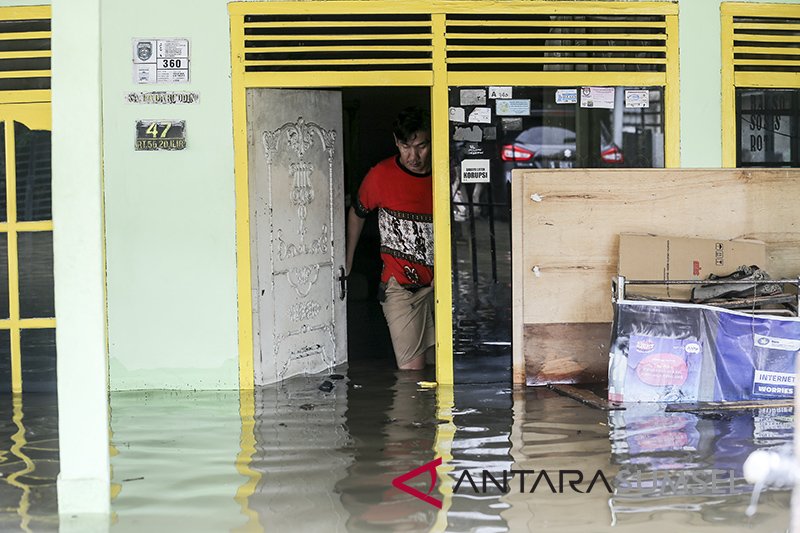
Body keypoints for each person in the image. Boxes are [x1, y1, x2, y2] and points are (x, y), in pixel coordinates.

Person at [345, 106, 435, 370]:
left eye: (421, 146)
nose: (413, 156)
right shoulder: (381, 175)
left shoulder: (444, 173)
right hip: (400, 288)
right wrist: (347, 260)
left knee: (439, 369)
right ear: (396, 142)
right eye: (406, 146)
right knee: (411, 375)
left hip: (441, 287)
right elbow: (358, 212)